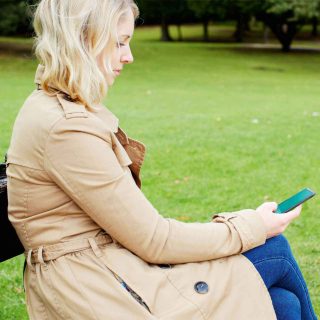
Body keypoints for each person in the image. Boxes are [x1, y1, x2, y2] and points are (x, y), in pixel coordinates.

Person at [6, 1, 317, 319]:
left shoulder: (58, 109)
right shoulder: (65, 127)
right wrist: (254, 225)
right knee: (274, 251)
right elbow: (155, 240)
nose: (128, 56)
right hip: (98, 290)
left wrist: (248, 223)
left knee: (282, 305)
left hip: (109, 269)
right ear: (83, 40)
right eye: (119, 42)